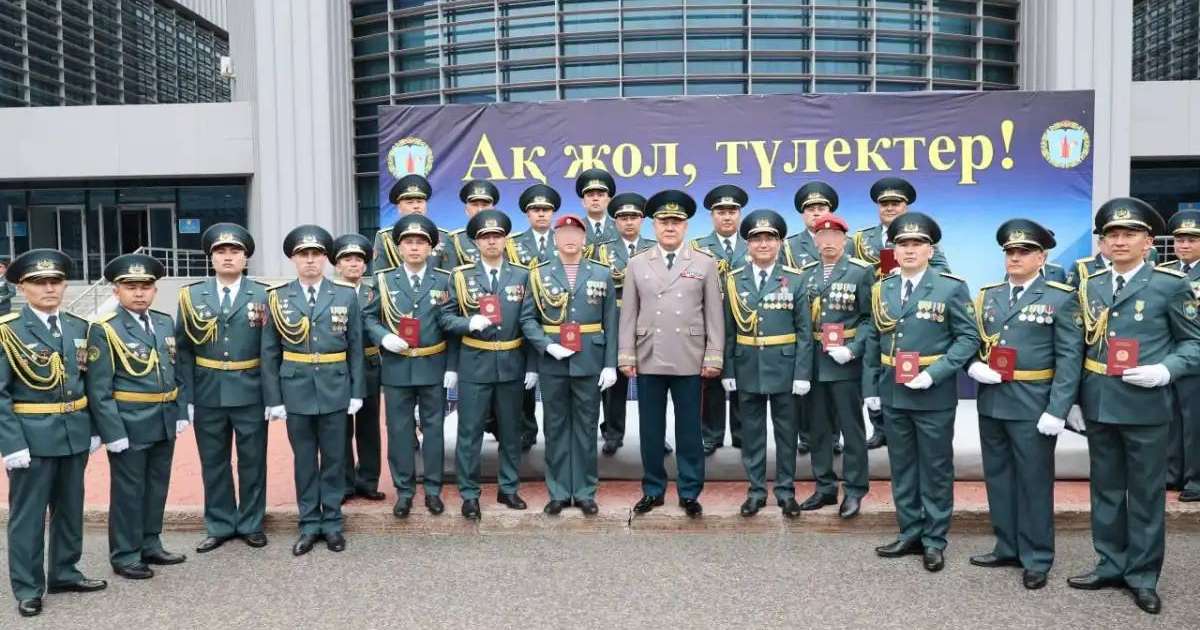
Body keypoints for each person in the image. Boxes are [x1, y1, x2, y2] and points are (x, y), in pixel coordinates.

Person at [1067, 198, 1200, 615]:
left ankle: (1142, 576)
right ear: (1103, 244)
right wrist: (1071, 400)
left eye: (1129, 234)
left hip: (1145, 406)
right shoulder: (1091, 285)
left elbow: (1193, 343)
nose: (1119, 241)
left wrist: (1166, 370)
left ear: (1148, 242)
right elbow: (1077, 346)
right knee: (1105, 491)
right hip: (1100, 404)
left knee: (1144, 496)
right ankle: (1110, 563)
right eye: (1112, 235)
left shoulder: (1169, 284)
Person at [966, 219, 1083, 591]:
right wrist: (972, 365)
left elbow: (1069, 358)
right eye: (1010, 252)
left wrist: (1058, 409)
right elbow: (974, 341)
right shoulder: (989, 295)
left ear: (1041, 256)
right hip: (993, 401)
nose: (1015, 257)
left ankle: (1037, 557)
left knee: (1033, 483)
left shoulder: (1059, 297)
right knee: (999, 479)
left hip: (1034, 404)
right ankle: (1007, 546)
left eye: (1024, 252)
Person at [864, 212, 979, 573]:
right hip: (893, 391)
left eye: (917, 244)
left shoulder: (950, 286)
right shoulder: (882, 287)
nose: (909, 250)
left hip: (932, 394)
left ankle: (934, 539)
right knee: (903, 466)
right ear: (893, 251)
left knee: (935, 467)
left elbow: (968, 338)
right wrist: (871, 388)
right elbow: (874, 340)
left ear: (930, 250)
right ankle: (910, 531)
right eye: (902, 244)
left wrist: (935, 374)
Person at [0, 250, 106, 617]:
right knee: (28, 516)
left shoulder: (80, 327)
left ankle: (64, 571)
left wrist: (94, 430)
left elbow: (91, 384)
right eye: (38, 282)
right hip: (31, 439)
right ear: (21, 287)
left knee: (70, 509)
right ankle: (29, 587)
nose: (49, 288)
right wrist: (11, 444)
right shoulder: (8, 330)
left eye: (55, 281)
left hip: (73, 432)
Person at [619, 190, 724, 517]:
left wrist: (714, 354)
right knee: (650, 430)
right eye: (664, 221)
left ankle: (690, 491)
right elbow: (629, 314)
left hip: (689, 356)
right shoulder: (637, 264)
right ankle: (653, 489)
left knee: (689, 429)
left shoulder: (704, 263)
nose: (670, 227)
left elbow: (713, 314)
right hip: (649, 354)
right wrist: (626, 354)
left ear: (686, 226)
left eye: (676, 221)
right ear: (653, 225)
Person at [262, 225, 365, 556]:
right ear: (293, 259)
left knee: (335, 459)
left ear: (325, 259)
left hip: (336, 386)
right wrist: (274, 399)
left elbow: (356, 348)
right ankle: (308, 523)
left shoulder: (346, 295)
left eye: (316, 254)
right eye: (303, 255)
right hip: (296, 389)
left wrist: (356, 391)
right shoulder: (277, 297)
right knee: (304, 460)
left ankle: (332, 523)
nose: (310, 260)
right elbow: (269, 352)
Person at [88, 254, 189, 580]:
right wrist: (111, 431)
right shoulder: (105, 330)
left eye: (146, 286)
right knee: (129, 492)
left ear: (154, 290)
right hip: (129, 422)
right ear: (116, 291)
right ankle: (125, 553)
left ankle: (150, 543)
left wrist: (181, 409)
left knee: (157, 486)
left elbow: (176, 371)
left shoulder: (162, 322)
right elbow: (99, 388)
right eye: (130, 286)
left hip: (163, 418)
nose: (139, 293)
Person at [176, 224, 272, 553]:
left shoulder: (263, 295)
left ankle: (250, 523)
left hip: (250, 389)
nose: (228, 257)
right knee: (213, 461)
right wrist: (186, 397)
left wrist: (272, 397)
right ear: (211, 258)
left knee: (252, 460)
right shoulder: (191, 295)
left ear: (245, 258)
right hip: (208, 391)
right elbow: (184, 349)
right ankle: (219, 523)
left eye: (235, 252)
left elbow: (270, 350)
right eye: (221, 252)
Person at [442, 209, 538, 519]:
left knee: (511, 431)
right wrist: (468, 323)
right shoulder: (460, 276)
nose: (492, 241)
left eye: (497, 236)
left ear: (505, 239)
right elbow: (444, 318)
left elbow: (531, 322)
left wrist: (533, 366)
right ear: (476, 242)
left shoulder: (523, 275)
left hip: (512, 362)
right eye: (485, 237)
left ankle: (508, 488)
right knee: (469, 433)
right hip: (475, 363)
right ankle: (469, 493)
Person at [521, 214, 619, 515]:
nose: (569, 238)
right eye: (563, 233)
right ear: (555, 239)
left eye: (575, 233)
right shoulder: (538, 274)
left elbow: (611, 323)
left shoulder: (601, 274)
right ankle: (560, 491)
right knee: (555, 427)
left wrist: (610, 364)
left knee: (587, 428)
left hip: (589, 359)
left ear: (584, 238)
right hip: (553, 360)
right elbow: (528, 319)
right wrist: (547, 346)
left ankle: (586, 491)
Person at [364, 214, 457, 517]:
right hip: (396, 366)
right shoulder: (384, 279)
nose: (415, 248)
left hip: (432, 364)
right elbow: (368, 317)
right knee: (400, 432)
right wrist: (383, 337)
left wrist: (452, 368)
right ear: (399, 248)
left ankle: (432, 489)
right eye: (409, 242)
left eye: (421, 243)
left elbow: (451, 326)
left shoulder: (445, 280)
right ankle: (404, 491)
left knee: (433, 430)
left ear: (431, 248)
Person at [720, 209, 811, 518]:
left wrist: (802, 373)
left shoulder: (795, 280)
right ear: (748, 244)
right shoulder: (734, 281)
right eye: (756, 239)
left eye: (769, 238)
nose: (762, 244)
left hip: (785, 368)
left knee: (787, 434)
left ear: (780, 243)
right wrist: (728, 370)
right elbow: (729, 330)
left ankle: (786, 491)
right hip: (747, 367)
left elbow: (804, 332)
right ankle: (756, 491)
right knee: (752, 434)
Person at [851, 177, 950, 451]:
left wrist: (910, 272)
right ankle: (878, 427)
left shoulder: (922, 241)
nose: (890, 208)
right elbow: (850, 269)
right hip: (874, 309)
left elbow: (942, 270)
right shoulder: (861, 239)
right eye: (885, 204)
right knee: (875, 367)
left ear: (905, 206)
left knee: (895, 367)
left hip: (910, 309)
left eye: (896, 203)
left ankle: (896, 425)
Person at [796, 212, 874, 518]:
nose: (828, 241)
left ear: (845, 239)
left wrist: (854, 350)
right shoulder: (806, 273)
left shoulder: (860, 272)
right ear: (814, 240)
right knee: (818, 429)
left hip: (844, 364)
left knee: (852, 429)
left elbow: (870, 319)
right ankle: (825, 487)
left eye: (835, 236)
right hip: (814, 361)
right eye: (822, 236)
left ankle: (854, 490)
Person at [593, 193, 658, 455]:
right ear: (615, 221)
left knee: (652, 382)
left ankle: (653, 435)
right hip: (615, 319)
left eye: (633, 217)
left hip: (650, 320)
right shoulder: (600, 250)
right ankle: (612, 432)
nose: (628, 222)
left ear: (642, 220)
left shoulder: (656, 248)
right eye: (622, 217)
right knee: (614, 380)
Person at [692, 184, 747, 456]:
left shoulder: (755, 245)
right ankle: (710, 434)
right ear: (712, 216)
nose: (727, 217)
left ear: (739, 215)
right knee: (710, 378)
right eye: (721, 212)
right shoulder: (697, 248)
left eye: (732, 211)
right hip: (708, 320)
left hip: (745, 320)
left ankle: (741, 433)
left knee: (743, 375)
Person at [508, 184, 563, 451]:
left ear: (553, 213)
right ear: (527, 214)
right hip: (523, 315)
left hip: (557, 317)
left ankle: (561, 431)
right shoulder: (513, 244)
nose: (541, 214)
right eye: (536, 210)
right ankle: (526, 429)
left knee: (561, 378)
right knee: (524, 378)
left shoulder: (564, 239)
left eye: (546, 210)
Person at [333, 233, 386, 503]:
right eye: (347, 259)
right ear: (337, 265)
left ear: (365, 266)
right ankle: (344, 483)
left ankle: (368, 480)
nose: (353, 264)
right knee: (341, 427)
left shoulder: (375, 293)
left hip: (368, 365)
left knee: (369, 426)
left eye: (358, 260)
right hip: (338, 367)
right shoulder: (330, 294)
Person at [1161, 209, 1200, 501]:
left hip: (1196, 357)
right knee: (1171, 418)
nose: (1184, 245)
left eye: (1192, 240)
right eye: (1180, 240)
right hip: (1169, 356)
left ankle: (1195, 480)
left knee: (1195, 421)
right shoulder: (1167, 272)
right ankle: (1172, 473)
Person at [373, 174, 443, 271]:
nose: (416, 206)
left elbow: (450, 276)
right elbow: (380, 277)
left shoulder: (443, 236)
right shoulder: (385, 237)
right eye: (410, 202)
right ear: (399, 208)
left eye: (419, 201)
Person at [441, 180, 501, 269]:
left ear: (493, 208)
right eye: (475, 205)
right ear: (466, 209)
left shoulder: (506, 239)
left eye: (484, 205)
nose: (480, 210)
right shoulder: (455, 240)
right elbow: (449, 277)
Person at [578, 169, 618, 246]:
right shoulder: (574, 229)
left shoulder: (621, 228)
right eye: (590, 195)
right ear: (583, 202)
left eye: (600, 195)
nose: (595, 199)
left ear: (608, 200)